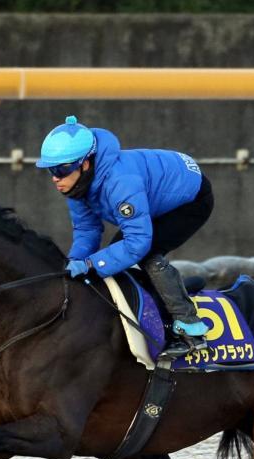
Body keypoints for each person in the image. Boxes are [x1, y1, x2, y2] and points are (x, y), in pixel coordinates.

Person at [36, 115, 212, 358]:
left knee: (145, 255)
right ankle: (162, 295)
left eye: (61, 169)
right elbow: (87, 231)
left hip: (190, 198)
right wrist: (73, 263)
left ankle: (190, 328)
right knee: (114, 258)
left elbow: (138, 244)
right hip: (155, 197)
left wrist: (90, 264)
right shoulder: (75, 187)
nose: (56, 177)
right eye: (50, 170)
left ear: (86, 164)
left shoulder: (120, 183)